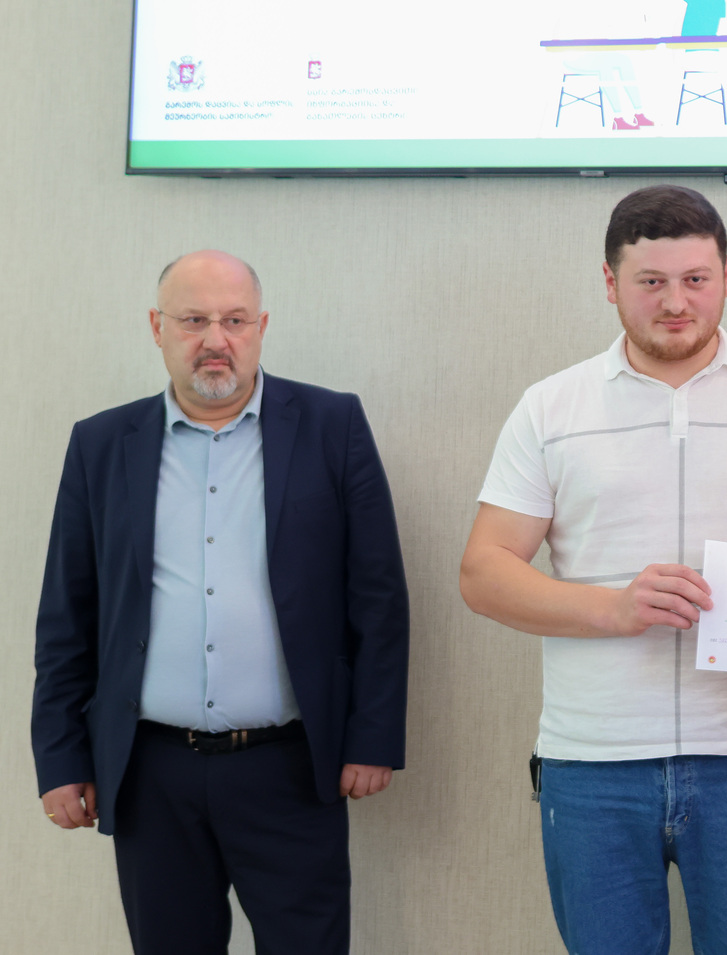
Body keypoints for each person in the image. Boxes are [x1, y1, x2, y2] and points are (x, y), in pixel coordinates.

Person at [459, 184, 727, 955]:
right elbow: (483, 571)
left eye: (696, 278)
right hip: (592, 765)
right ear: (610, 282)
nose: (676, 302)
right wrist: (613, 609)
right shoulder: (551, 407)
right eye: (651, 281)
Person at [32, 250, 410, 955]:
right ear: (157, 328)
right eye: (194, 320)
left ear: (261, 327)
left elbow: (378, 597)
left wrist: (372, 737)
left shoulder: (332, 424)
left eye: (235, 320)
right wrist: (61, 758)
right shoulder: (101, 444)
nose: (216, 339)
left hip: (291, 767)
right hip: (151, 773)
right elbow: (66, 615)